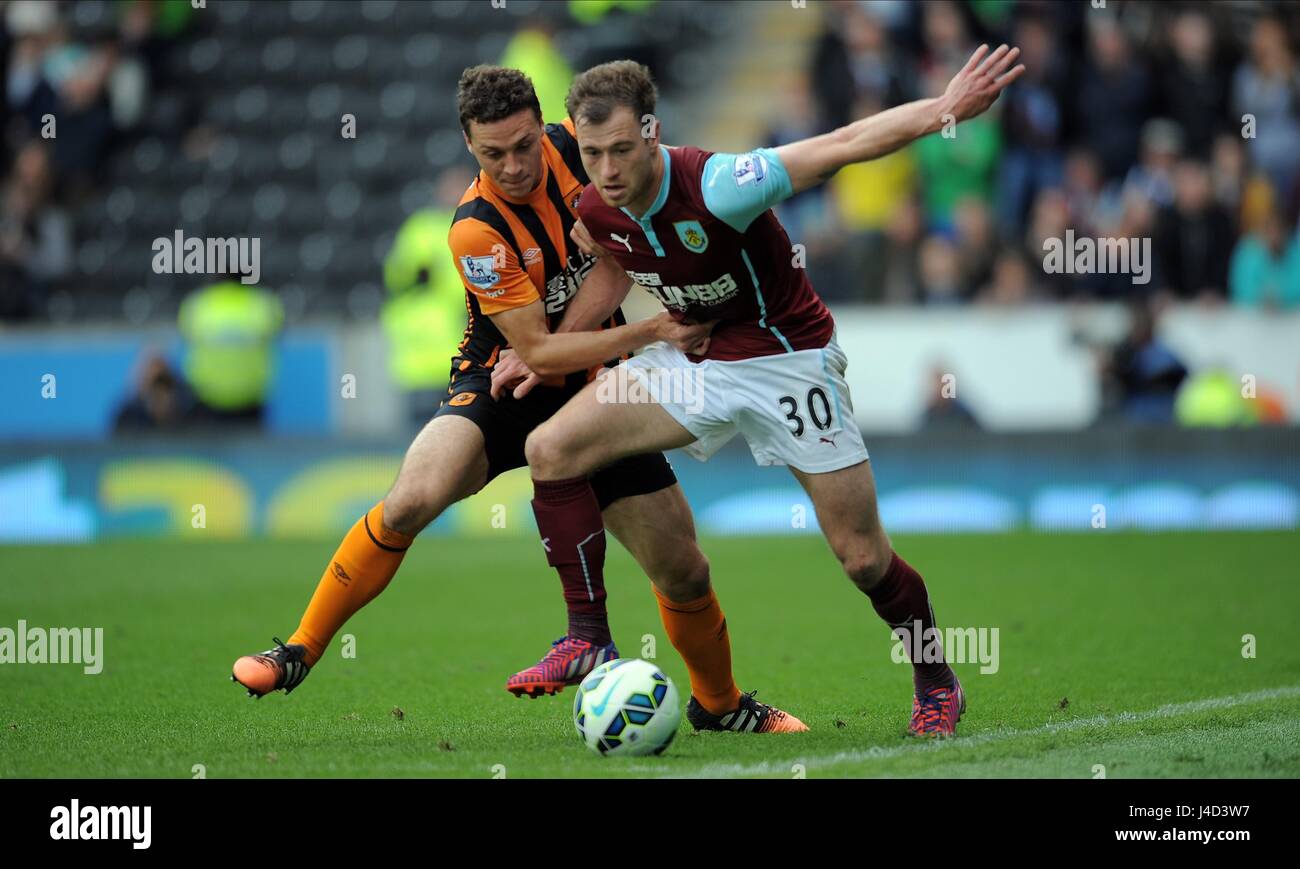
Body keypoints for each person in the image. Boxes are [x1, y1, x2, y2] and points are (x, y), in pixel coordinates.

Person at [231, 66, 804, 734]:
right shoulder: (473, 230)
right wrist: (649, 330)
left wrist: (567, 343)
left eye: (523, 145)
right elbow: (530, 354)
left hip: (593, 372)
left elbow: (620, 264)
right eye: (491, 154)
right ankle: (299, 648)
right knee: (414, 495)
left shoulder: (586, 152)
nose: (512, 165)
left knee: (682, 567)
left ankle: (721, 704)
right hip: (497, 383)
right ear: (468, 147)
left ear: (544, 127)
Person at [511, 46, 1024, 737]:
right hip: (692, 358)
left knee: (863, 557)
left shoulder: (721, 183)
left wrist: (943, 110)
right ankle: (588, 635)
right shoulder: (595, 204)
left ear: (652, 133)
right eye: (593, 151)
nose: (607, 170)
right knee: (551, 447)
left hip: (788, 361)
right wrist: (550, 354)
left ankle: (936, 677)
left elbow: (839, 146)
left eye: (622, 150)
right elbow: (613, 261)